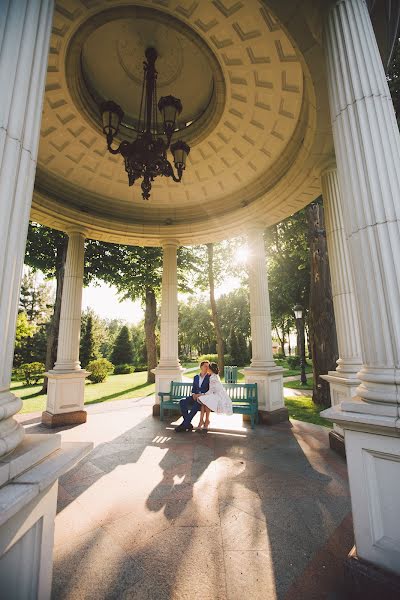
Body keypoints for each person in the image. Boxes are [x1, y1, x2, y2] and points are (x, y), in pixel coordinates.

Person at [175, 360, 210, 432]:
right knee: (182, 402)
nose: (207, 367)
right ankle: (187, 424)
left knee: (196, 405)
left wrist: (200, 395)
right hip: (195, 396)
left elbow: (210, 390)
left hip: (203, 398)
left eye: (208, 366)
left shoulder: (210, 377)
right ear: (201, 367)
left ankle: (184, 425)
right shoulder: (196, 377)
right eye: (205, 366)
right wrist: (194, 394)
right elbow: (194, 389)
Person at [197, 362, 233, 431]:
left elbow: (211, 391)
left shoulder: (213, 377)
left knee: (204, 400)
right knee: (204, 402)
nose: (207, 369)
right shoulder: (214, 375)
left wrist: (202, 394)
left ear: (210, 369)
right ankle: (203, 421)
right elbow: (212, 391)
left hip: (219, 396)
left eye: (208, 368)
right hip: (217, 394)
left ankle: (204, 421)